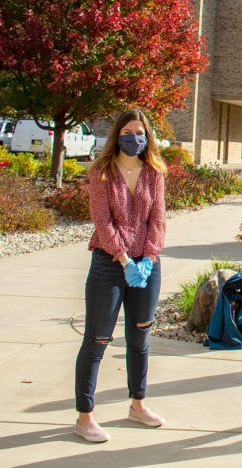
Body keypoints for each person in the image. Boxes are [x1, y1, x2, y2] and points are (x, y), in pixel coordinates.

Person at [75, 109, 167, 443]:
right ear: (118, 135)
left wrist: (149, 258)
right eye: (128, 132)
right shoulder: (102, 171)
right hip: (109, 264)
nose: (134, 138)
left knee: (140, 339)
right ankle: (85, 417)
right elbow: (102, 220)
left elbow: (158, 219)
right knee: (97, 339)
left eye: (140, 133)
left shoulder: (154, 172)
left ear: (147, 137)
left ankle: (137, 406)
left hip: (147, 266)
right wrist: (125, 259)